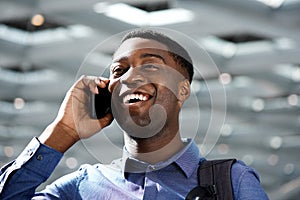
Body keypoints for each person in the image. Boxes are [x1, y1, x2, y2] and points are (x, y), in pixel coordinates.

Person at [0, 28, 269, 199]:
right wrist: (63, 132)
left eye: (151, 66)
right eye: (118, 71)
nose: (131, 76)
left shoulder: (231, 183)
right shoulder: (81, 188)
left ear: (182, 90)